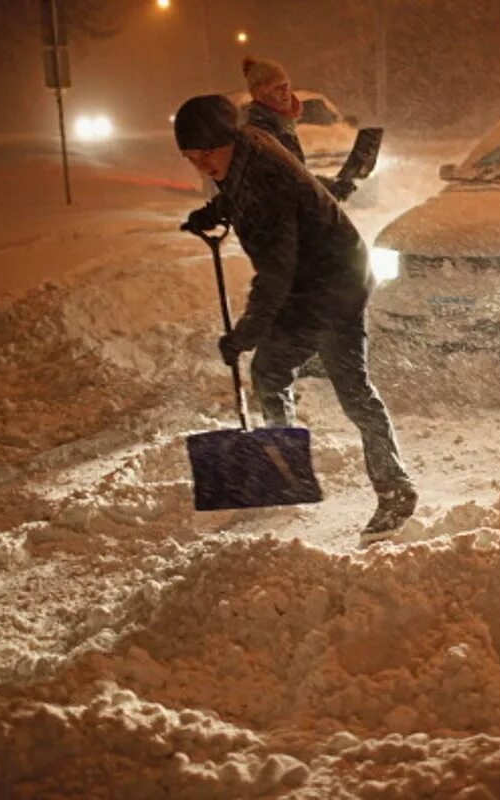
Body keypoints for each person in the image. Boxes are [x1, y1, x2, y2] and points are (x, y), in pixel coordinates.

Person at [173, 94, 417, 538]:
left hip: (332, 282)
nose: (202, 164)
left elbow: (276, 276)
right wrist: (211, 212)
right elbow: (236, 193)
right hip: (323, 275)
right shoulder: (243, 152)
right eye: (192, 157)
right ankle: (281, 472)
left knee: (335, 384)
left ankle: (393, 489)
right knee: (280, 372)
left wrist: (245, 334)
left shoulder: (261, 173)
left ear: (227, 139)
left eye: (207, 153)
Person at [241, 56, 356, 201]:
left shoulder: (281, 126)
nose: (285, 93)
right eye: (277, 88)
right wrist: (328, 188)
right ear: (260, 94)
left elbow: (295, 176)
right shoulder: (262, 134)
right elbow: (287, 184)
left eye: (286, 86)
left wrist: (328, 186)